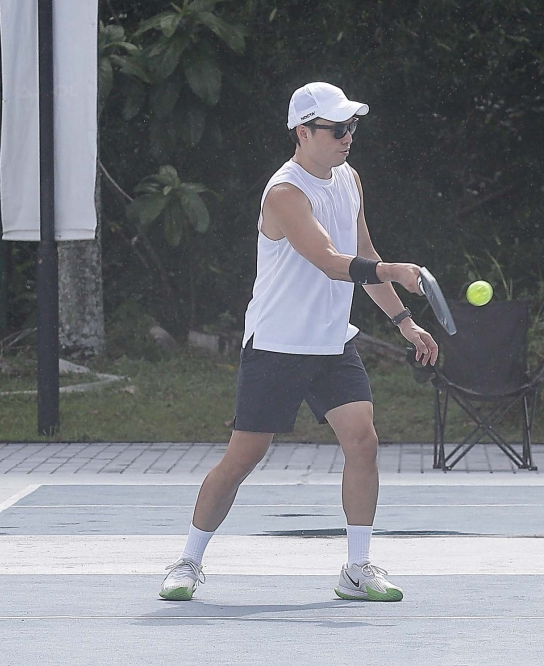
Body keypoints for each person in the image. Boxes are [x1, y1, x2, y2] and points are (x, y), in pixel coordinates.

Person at [159, 82, 439, 603]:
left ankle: (357, 568)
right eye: (336, 129)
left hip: (333, 345)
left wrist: (404, 321)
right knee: (243, 458)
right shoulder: (284, 194)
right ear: (302, 131)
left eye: (351, 127)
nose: (347, 137)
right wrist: (395, 270)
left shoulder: (350, 179)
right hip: (278, 346)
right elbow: (332, 262)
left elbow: (363, 252)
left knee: (363, 441)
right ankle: (187, 561)